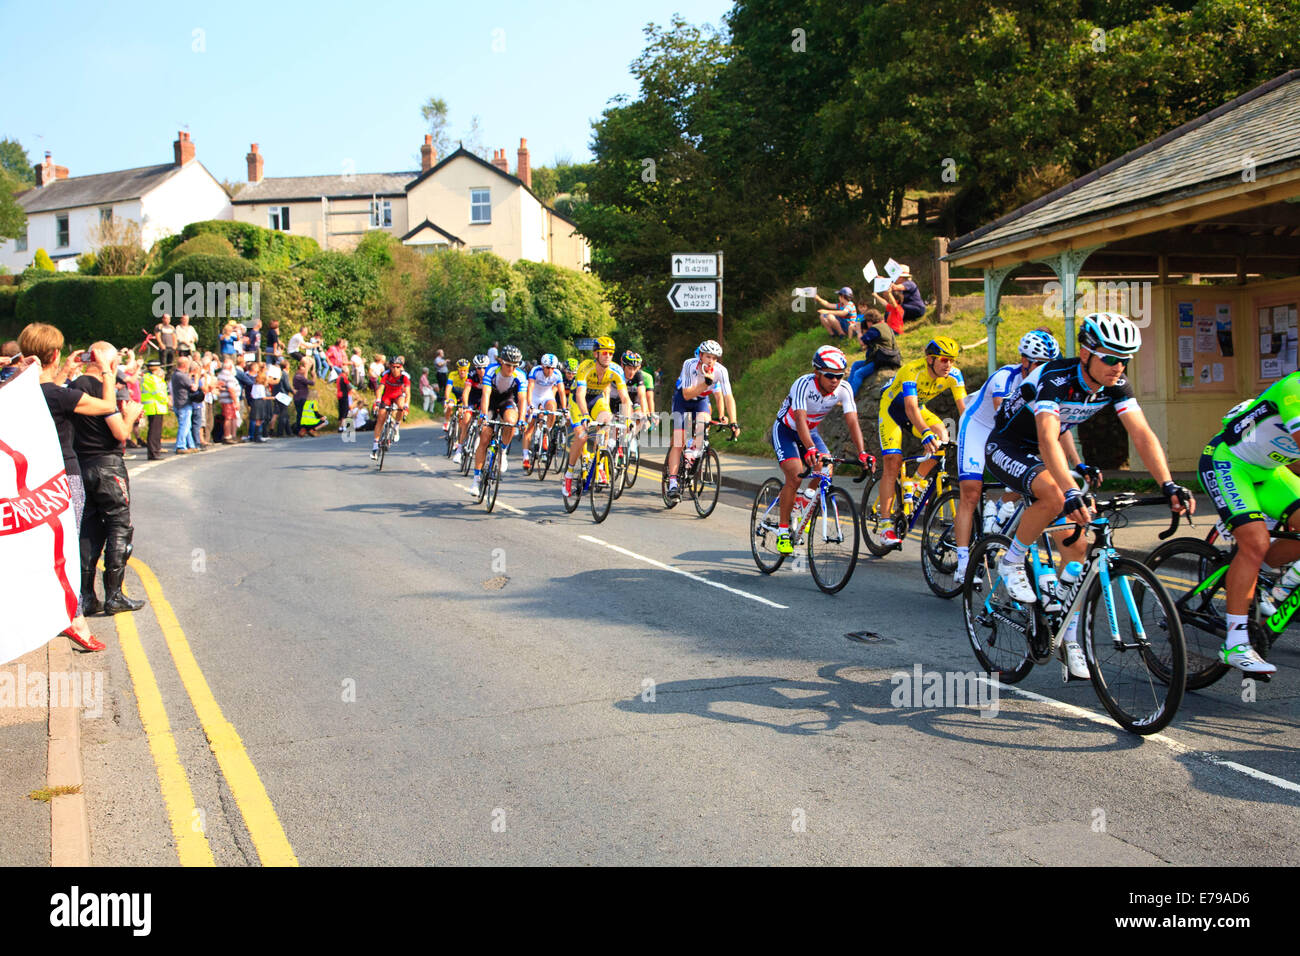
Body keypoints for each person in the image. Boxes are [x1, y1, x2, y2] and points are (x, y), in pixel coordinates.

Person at [986, 312, 1192, 679]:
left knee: (1079, 545)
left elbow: (1142, 434)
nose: (1118, 367)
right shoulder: (1055, 377)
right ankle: (1012, 560)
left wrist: (1168, 484)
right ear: (1086, 354)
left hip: (1045, 456)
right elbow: (1048, 438)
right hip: (1010, 446)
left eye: (1124, 359)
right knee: (1053, 495)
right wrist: (1068, 491)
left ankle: (1069, 634)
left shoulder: (1115, 384)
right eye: (1111, 358)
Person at [19, 325, 122, 650]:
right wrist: (107, 372)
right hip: (65, 475)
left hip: (31, 478)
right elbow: (107, 408)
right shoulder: (60, 395)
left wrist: (60, 371)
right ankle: (74, 619)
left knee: (38, 544)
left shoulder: (22, 390)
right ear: (54, 354)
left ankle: (43, 612)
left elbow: (44, 385)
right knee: (64, 549)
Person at [1196, 372, 1300, 676]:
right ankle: (1236, 642)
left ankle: (1265, 584)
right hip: (1229, 463)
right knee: (1255, 542)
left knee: (1262, 551)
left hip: (1270, 472)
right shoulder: (1295, 387)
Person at [951, 330, 1072, 580]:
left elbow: (1057, 427)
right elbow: (1002, 421)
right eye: (1039, 364)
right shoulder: (1005, 378)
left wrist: (1075, 463)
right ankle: (963, 561)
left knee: (1039, 476)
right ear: (1024, 361)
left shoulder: (1050, 383)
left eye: (1050, 364)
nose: (1045, 369)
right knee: (972, 491)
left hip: (1010, 433)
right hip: (980, 428)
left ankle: (1002, 507)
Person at [769, 345, 875, 554]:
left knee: (825, 469)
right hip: (787, 430)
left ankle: (805, 501)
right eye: (830, 375)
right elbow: (799, 419)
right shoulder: (803, 384)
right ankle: (782, 531)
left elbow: (853, 422)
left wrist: (862, 452)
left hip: (811, 431)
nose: (835, 380)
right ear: (817, 372)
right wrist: (809, 448)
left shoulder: (844, 389)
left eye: (839, 375)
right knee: (795, 475)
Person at [69, 340, 146, 616]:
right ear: (110, 364)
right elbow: (120, 433)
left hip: (82, 463)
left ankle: (86, 596)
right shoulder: (103, 388)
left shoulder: (73, 385)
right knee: (118, 526)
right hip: (108, 466)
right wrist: (130, 416)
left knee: (89, 529)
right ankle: (114, 595)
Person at [876, 336, 968, 548]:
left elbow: (964, 410)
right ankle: (885, 525)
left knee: (942, 439)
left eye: (952, 360)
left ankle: (916, 482)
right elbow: (910, 408)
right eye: (944, 360)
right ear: (929, 359)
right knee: (893, 461)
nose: (949, 365)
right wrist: (924, 432)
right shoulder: (912, 370)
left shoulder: (954, 375)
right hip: (893, 409)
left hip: (919, 409)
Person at [665, 340, 738, 502]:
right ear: (700, 356)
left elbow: (727, 396)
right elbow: (687, 394)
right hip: (683, 400)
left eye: (714, 357)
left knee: (703, 425)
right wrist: (706, 383)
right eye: (707, 357)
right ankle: (673, 483)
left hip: (701, 401)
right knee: (678, 441)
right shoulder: (689, 365)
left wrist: (733, 421)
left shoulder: (721, 371)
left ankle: (694, 452)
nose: (711, 360)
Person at [470, 346, 526, 497]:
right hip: (491, 402)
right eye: (508, 365)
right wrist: (483, 415)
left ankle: (503, 450)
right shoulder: (491, 370)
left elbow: (521, 399)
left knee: (511, 421)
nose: (511, 368)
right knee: (485, 436)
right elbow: (486, 394)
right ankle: (476, 479)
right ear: (501, 361)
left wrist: (522, 419)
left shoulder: (520, 375)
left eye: (515, 365)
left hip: (507, 400)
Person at [520, 353, 566, 473]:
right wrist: (530, 404)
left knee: (552, 408)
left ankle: (545, 433)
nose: (550, 370)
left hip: (546, 396)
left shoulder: (557, 374)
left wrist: (565, 408)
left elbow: (561, 391)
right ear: (542, 366)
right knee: (529, 429)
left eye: (553, 368)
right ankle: (525, 457)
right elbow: (529, 388)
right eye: (548, 367)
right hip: (534, 397)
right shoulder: (536, 371)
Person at [845, 308, 903, 396]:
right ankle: (846, 389)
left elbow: (862, 342)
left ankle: (850, 396)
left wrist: (858, 331)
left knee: (858, 373)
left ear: (869, 321)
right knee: (856, 364)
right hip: (890, 357)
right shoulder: (885, 326)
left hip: (882, 360)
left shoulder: (874, 329)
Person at [371, 356, 411, 460]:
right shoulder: (386, 374)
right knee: (380, 419)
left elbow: (407, 392)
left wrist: (406, 405)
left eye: (398, 367)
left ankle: (396, 425)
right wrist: (378, 400)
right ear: (390, 366)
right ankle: (375, 447)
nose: (395, 369)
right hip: (387, 396)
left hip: (398, 396)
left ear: (401, 367)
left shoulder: (404, 376)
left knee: (401, 407)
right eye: (393, 367)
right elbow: (380, 388)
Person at [140, 357, 169, 460]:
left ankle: (155, 450)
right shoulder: (153, 379)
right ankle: (154, 452)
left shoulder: (148, 378)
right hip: (155, 406)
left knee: (155, 430)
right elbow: (159, 393)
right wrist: (167, 401)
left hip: (154, 407)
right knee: (154, 431)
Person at [170, 354, 200, 454]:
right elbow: (194, 387)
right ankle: (180, 445)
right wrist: (196, 377)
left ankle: (191, 445)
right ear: (185, 365)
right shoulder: (181, 375)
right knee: (185, 425)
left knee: (187, 424)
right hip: (184, 403)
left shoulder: (175, 374)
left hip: (178, 403)